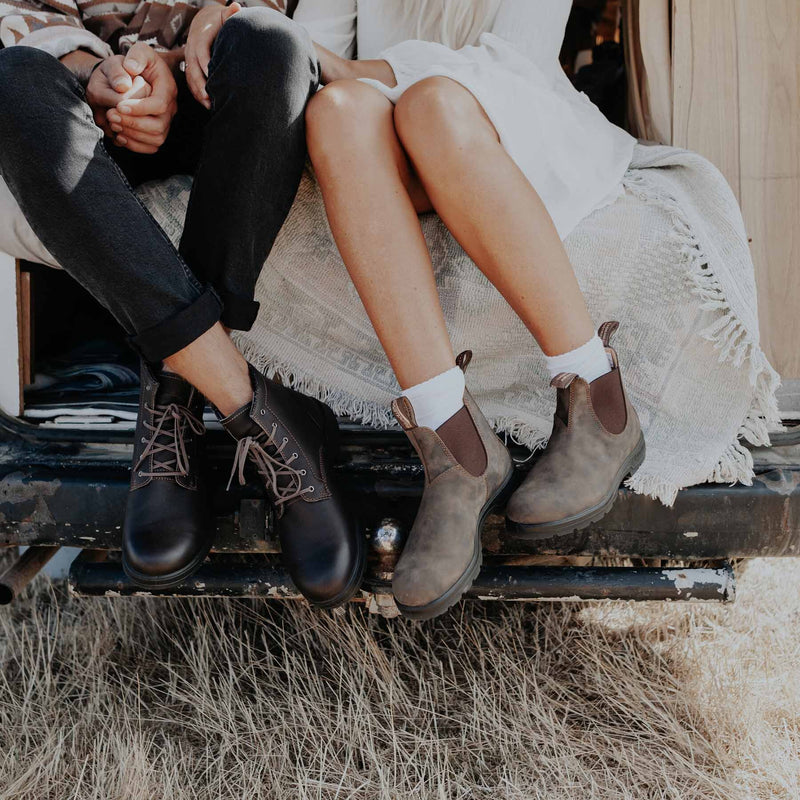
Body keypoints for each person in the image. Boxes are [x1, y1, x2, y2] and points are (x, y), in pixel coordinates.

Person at [0, 1, 365, 605]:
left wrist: (178, 59)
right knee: (12, 79)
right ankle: (253, 409)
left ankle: (174, 390)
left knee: (269, 41)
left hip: (219, 97)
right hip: (90, 110)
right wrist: (99, 73)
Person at [297, 0, 645, 619]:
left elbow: (517, 59)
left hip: (504, 122)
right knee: (334, 111)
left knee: (431, 103)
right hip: (388, 137)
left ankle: (600, 397)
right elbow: (310, 53)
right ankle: (457, 447)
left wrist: (364, 70)